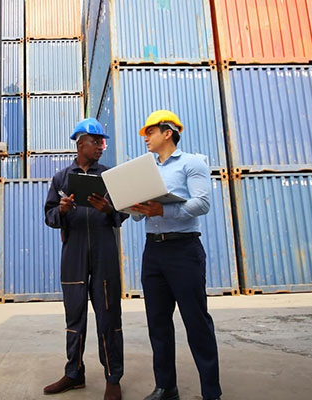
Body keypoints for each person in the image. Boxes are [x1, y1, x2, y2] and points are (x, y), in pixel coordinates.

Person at [129, 110, 222, 400]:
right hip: (153, 251)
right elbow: (138, 216)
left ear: (167, 132)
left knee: (196, 321)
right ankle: (166, 387)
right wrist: (133, 206)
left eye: (150, 132)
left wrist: (164, 209)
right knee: (158, 323)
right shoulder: (147, 170)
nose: (145, 138)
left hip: (183, 251)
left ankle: (211, 392)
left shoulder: (192, 163)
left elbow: (202, 203)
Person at [43, 118, 127, 400]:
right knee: (74, 316)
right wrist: (62, 210)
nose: (102, 147)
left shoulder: (111, 176)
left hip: (104, 252)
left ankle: (113, 378)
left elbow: (123, 213)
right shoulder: (61, 178)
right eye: (97, 142)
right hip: (74, 252)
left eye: (103, 142)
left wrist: (108, 210)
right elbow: (49, 216)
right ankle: (74, 374)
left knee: (109, 315)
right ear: (81, 145)